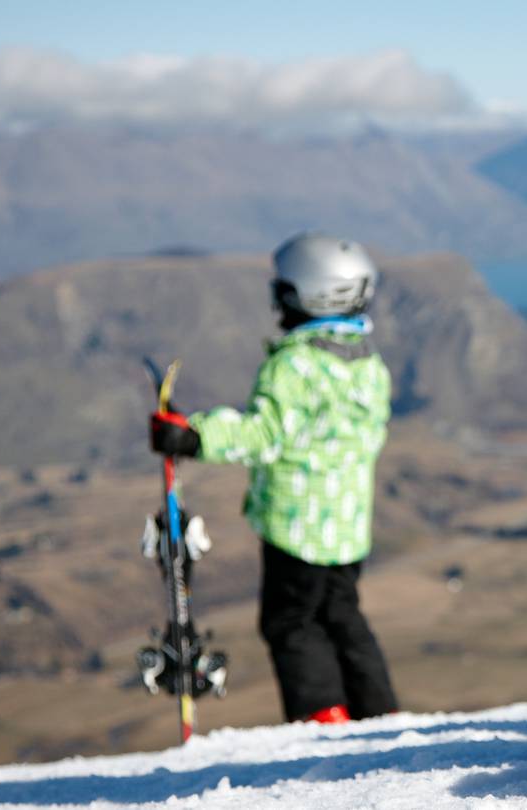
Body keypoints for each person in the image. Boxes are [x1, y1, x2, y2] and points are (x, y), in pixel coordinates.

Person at [149, 233, 399, 724]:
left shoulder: (293, 366)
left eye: (282, 291)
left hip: (297, 526)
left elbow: (264, 434)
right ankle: (380, 715)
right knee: (343, 618)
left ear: (308, 295)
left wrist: (193, 436)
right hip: (348, 529)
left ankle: (322, 722)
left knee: (292, 624)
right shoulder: (369, 365)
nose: (276, 301)